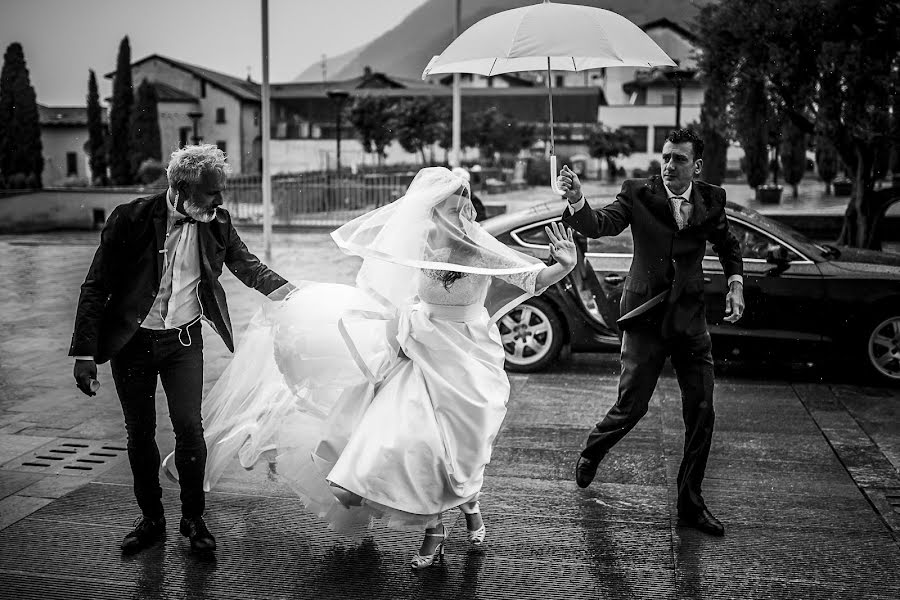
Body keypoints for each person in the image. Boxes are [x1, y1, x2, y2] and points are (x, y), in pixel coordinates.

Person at [174, 167, 577, 569]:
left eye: (461, 206)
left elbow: (530, 277)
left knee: (459, 449)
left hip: (466, 358)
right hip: (418, 350)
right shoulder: (419, 246)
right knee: (414, 444)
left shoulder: (479, 247)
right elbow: (395, 295)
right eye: (448, 207)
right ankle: (435, 529)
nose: (458, 213)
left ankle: (470, 505)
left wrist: (563, 265)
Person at [69, 144, 291, 554]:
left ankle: (193, 519)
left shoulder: (217, 223)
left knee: (190, 428)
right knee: (140, 433)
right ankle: (151, 519)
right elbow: (96, 285)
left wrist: (295, 296)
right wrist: (84, 353)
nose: (220, 200)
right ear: (181, 188)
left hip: (183, 343)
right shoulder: (130, 218)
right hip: (131, 344)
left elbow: (248, 267)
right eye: (212, 192)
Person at [558, 128, 745, 536]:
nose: (669, 165)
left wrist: (735, 283)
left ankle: (690, 503)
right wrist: (576, 198)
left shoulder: (712, 199)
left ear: (696, 166)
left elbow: (728, 246)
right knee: (632, 406)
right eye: (665, 157)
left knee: (701, 411)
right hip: (645, 316)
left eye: (678, 159)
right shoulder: (637, 192)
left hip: (690, 319)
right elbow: (600, 223)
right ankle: (594, 450)